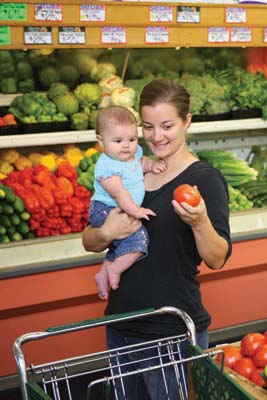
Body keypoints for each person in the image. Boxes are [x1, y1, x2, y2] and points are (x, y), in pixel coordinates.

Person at [82, 79, 232, 399]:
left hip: (171, 331)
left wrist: (200, 220)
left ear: (187, 121)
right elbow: (89, 240)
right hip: (121, 324)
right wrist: (106, 232)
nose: (156, 136)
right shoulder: (127, 167)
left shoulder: (204, 179)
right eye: (148, 127)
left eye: (167, 126)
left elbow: (217, 257)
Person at [91, 106, 166, 300]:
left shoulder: (130, 156)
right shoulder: (107, 166)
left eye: (132, 140)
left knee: (118, 246)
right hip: (106, 210)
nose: (126, 146)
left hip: (120, 208)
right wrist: (136, 210)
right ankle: (115, 270)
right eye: (118, 141)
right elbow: (119, 193)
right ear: (101, 141)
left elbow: (140, 163)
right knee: (138, 238)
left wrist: (151, 166)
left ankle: (103, 274)